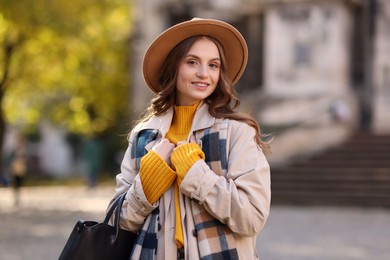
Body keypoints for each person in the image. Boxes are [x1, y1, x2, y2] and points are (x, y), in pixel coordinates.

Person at [109, 18, 271, 260]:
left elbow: (251, 217)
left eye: (213, 65)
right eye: (192, 62)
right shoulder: (144, 135)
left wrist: (197, 175)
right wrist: (147, 186)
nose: (204, 73)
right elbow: (117, 221)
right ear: (173, 67)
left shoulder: (236, 132)